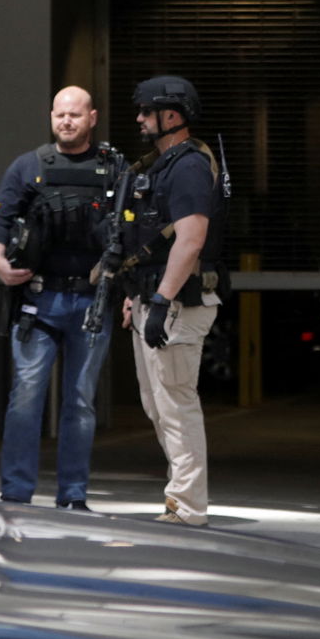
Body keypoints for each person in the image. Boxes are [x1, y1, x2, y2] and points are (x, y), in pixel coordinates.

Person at [0, 86, 121, 511]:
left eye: (75, 115)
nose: (66, 121)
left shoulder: (114, 168)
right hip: (38, 300)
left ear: (92, 117)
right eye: (60, 114)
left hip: (90, 300)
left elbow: (133, 231)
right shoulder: (29, 166)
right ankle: (16, 494)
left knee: (80, 401)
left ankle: (73, 496)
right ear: (51, 117)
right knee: (26, 397)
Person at [115, 76, 226, 526]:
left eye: (146, 111)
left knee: (176, 402)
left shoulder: (188, 168)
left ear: (172, 116)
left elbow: (191, 238)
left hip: (179, 302)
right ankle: (180, 497)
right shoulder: (160, 165)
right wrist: (137, 298)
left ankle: (187, 506)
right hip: (156, 298)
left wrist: (161, 300)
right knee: (157, 403)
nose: (140, 119)